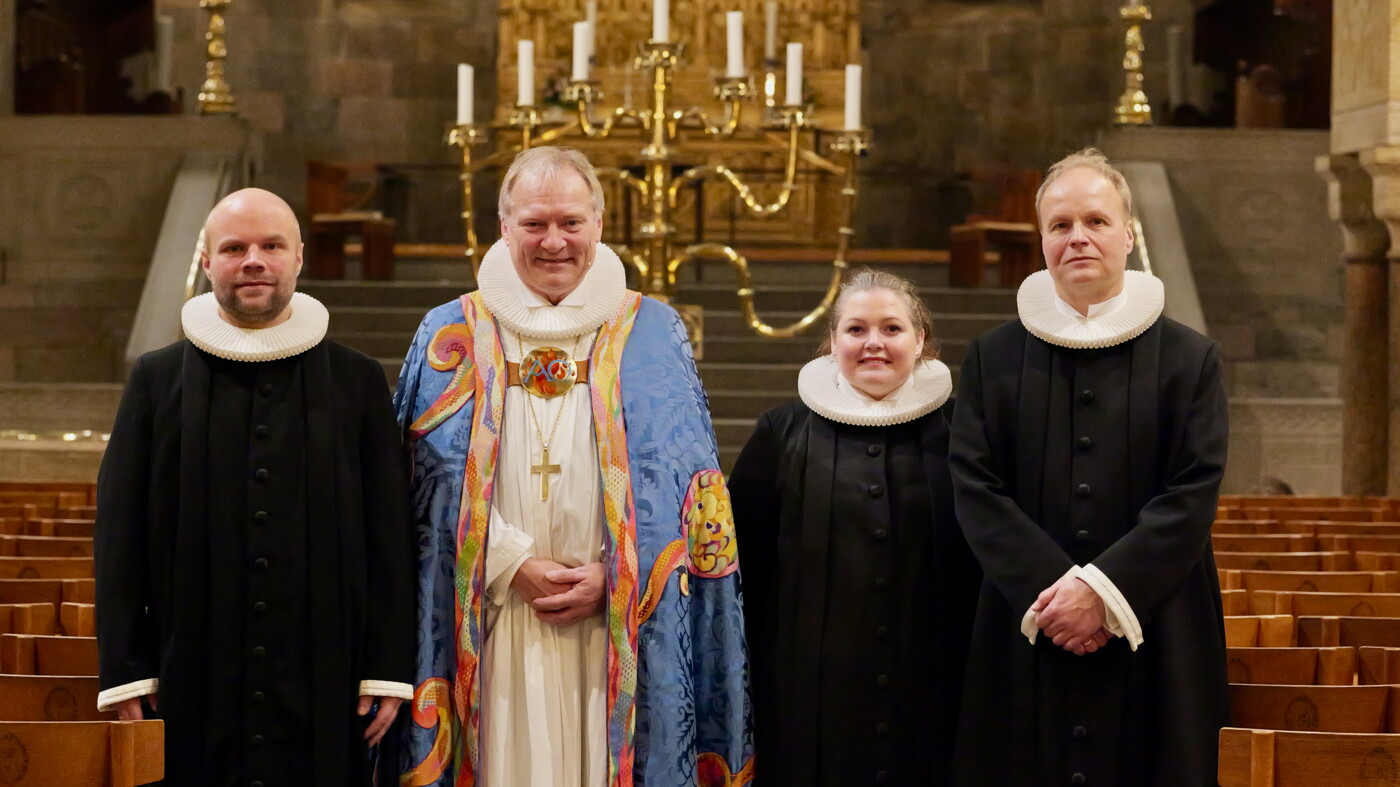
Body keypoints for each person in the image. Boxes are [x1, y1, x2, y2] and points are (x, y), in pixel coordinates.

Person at [394, 146, 752, 787]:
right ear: (503, 228)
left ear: (599, 224)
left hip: (616, 631)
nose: (553, 241)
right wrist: (509, 564)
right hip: (494, 622)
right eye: (534, 224)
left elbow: (693, 495)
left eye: (570, 222)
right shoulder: (449, 332)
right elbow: (419, 484)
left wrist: (616, 576)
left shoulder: (653, 330)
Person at [94, 188, 416, 785]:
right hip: (189, 674)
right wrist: (125, 669)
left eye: (271, 245)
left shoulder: (357, 381)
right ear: (209, 263)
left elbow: (390, 537)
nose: (253, 260)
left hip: (327, 677)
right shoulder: (156, 379)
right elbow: (118, 536)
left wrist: (386, 667)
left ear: (299, 258)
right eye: (234, 247)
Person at [950, 148, 1229, 786]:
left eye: (1096, 222)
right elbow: (975, 487)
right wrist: (1058, 597)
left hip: (1157, 630)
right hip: (1029, 626)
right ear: (1040, 240)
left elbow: (1192, 493)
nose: (1078, 237)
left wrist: (1103, 595)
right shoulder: (993, 359)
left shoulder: (1191, 360)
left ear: (1129, 234)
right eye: (1060, 224)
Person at [729, 269, 979, 786]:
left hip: (937, 688)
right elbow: (742, 565)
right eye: (856, 329)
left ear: (921, 340)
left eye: (892, 329)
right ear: (833, 341)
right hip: (810, 696)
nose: (874, 344)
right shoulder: (781, 433)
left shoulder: (966, 433)